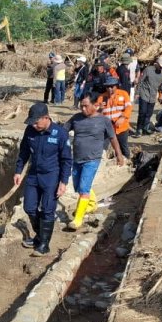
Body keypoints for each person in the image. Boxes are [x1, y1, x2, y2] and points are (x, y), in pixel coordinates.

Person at [15, 102, 73, 255]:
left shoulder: (60, 134)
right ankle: (40, 236)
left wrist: (63, 181)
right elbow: (24, 152)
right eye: (32, 122)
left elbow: (66, 160)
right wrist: (18, 171)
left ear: (46, 117)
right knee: (29, 207)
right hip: (34, 175)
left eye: (36, 122)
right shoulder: (30, 131)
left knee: (47, 209)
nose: (34, 125)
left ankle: (44, 245)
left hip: (51, 176)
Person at [64, 95, 123, 230]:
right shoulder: (76, 118)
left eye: (86, 106)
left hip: (92, 159)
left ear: (94, 105)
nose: (83, 109)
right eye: (81, 106)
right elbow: (63, 131)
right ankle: (91, 204)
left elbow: (113, 138)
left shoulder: (103, 121)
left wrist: (119, 155)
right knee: (79, 187)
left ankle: (77, 220)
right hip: (77, 157)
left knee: (84, 188)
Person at [96, 74, 133, 158]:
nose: (109, 89)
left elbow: (129, 107)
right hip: (107, 128)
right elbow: (96, 114)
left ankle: (126, 162)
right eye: (107, 87)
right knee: (103, 147)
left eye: (112, 87)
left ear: (116, 86)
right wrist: (100, 109)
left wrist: (122, 117)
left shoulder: (123, 94)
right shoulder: (101, 97)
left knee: (123, 146)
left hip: (121, 127)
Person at [135, 55, 162, 136]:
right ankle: (139, 129)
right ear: (157, 64)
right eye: (161, 66)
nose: (161, 68)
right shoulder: (148, 70)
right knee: (142, 112)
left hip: (153, 96)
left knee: (149, 113)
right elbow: (140, 81)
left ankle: (145, 128)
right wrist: (137, 93)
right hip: (144, 93)